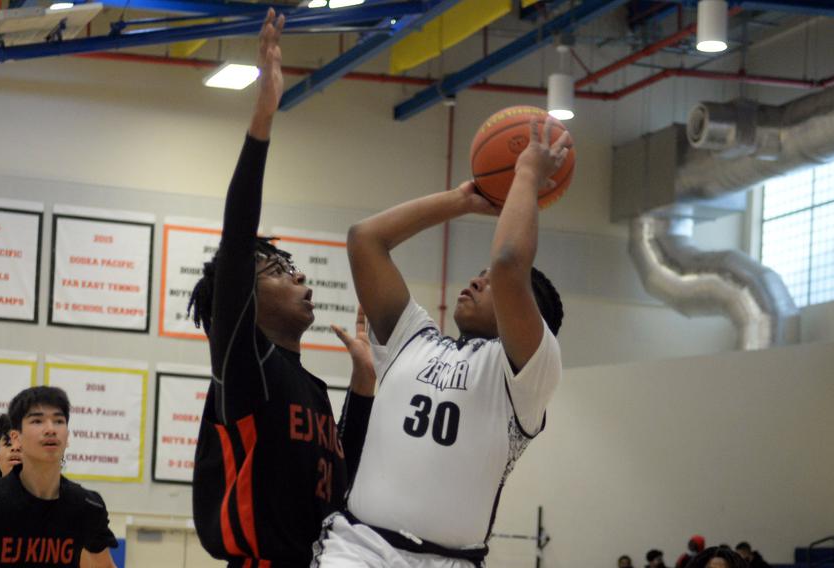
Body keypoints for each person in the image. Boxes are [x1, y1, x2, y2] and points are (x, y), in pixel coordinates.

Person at [314, 115, 569, 567]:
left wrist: (527, 174)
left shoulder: (528, 377)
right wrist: (460, 201)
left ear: (528, 312)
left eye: (488, 283)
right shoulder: (413, 340)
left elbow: (510, 263)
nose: (477, 280)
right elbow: (365, 240)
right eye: (480, 275)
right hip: (360, 550)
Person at [188, 9, 374, 568]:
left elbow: (346, 486)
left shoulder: (310, 388)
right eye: (275, 270)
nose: (298, 276)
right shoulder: (245, 367)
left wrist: (363, 388)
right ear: (245, 296)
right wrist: (262, 120)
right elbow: (237, 232)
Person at [0, 386, 118, 568]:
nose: (50, 429)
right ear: (17, 438)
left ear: (67, 437)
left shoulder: (87, 507)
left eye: (58, 421)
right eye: (37, 421)